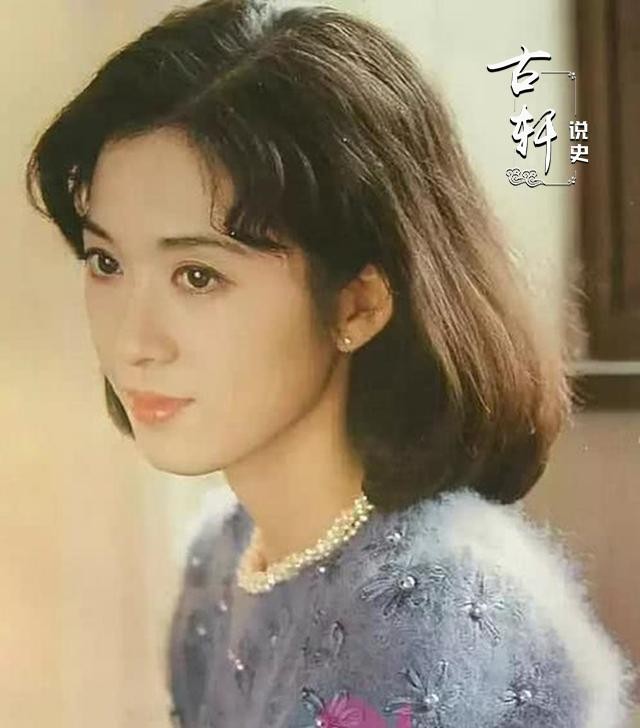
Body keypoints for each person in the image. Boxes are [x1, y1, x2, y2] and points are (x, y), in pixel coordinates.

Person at [25, 1, 638, 726]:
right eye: (106, 262)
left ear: (358, 305)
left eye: (197, 276)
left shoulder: (433, 604)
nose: (134, 341)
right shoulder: (223, 554)